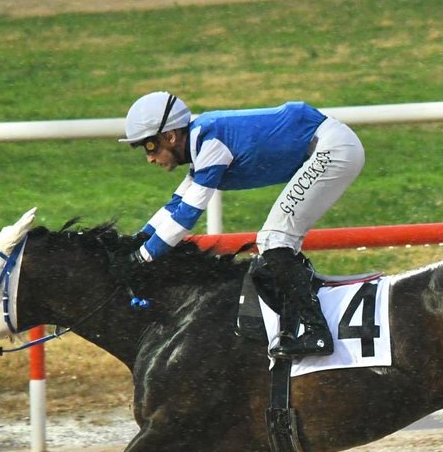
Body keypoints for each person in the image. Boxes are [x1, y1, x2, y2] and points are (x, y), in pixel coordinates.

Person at [119, 91, 365, 358]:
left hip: (330, 149)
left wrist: (141, 257)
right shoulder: (203, 142)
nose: (150, 158)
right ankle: (300, 321)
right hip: (329, 145)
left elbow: (187, 215)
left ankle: (317, 333)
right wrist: (137, 240)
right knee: (278, 241)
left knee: (274, 240)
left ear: (170, 136)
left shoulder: (209, 143)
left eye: (150, 146)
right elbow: (175, 205)